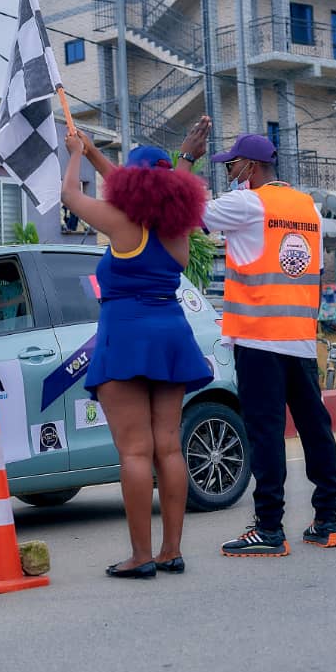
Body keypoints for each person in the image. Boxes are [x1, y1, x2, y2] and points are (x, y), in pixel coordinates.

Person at [180, 116, 336, 557]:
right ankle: (327, 520)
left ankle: (269, 527)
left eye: (231, 166)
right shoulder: (307, 207)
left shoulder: (250, 204)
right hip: (301, 340)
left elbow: (185, 208)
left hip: (259, 340)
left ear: (250, 167)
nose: (228, 173)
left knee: (266, 433)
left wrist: (188, 158)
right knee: (315, 428)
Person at [60, 131, 213, 579]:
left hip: (126, 335)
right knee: (168, 447)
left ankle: (140, 555)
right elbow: (139, 185)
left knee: (134, 451)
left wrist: (74, 157)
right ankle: (171, 550)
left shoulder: (120, 224)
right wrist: (93, 152)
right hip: (171, 334)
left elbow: (70, 195)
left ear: (132, 187)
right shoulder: (177, 227)